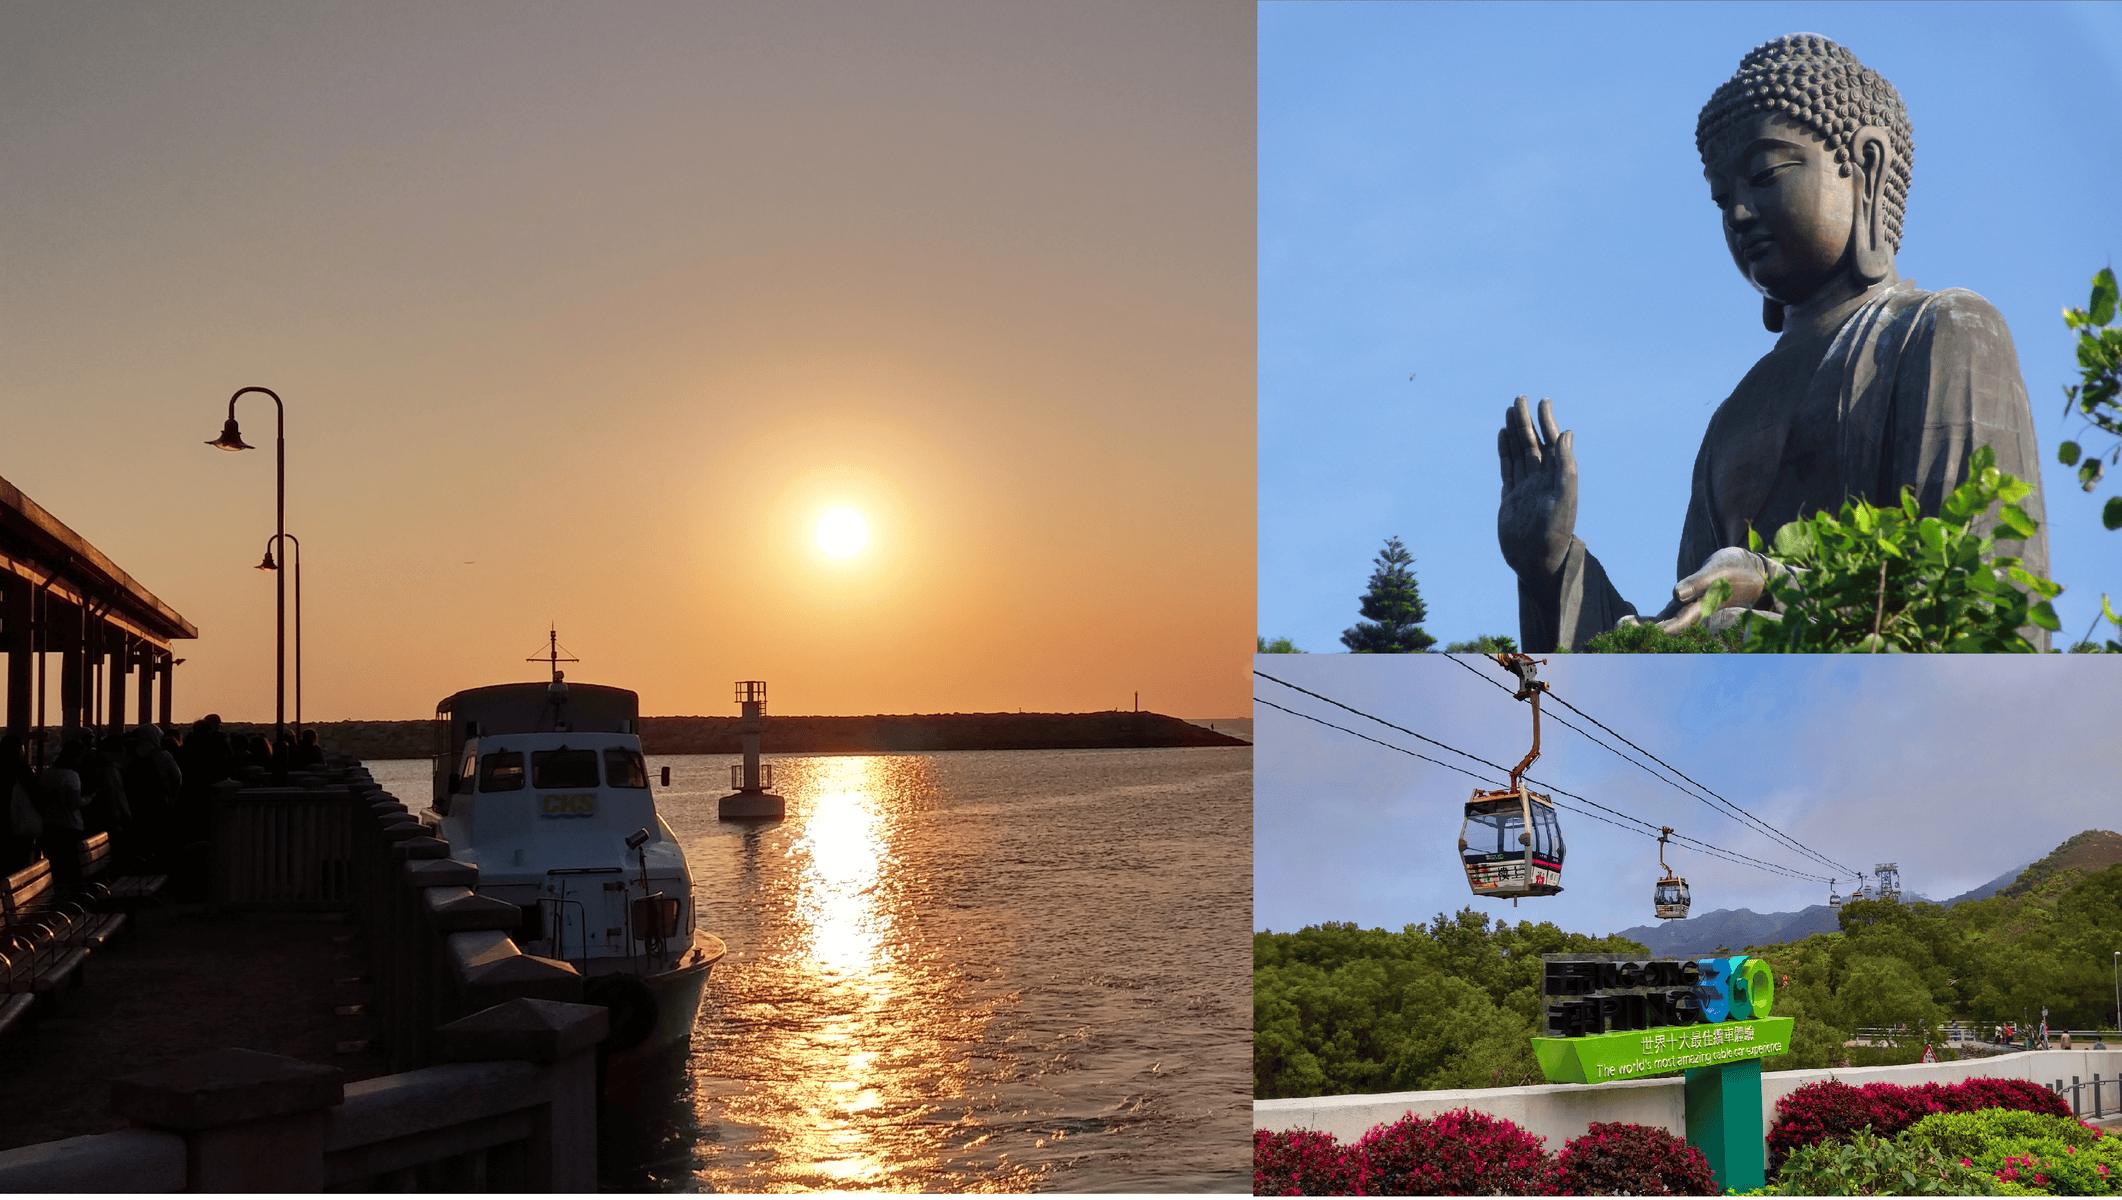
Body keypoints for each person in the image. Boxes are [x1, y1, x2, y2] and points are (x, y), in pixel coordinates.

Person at [1497, 33, 2048, 650]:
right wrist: (1552, 570)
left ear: (1866, 166)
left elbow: (1986, 598)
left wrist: (1773, 586)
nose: (1738, 214)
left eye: (1766, 174)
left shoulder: (1946, 331)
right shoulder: (1734, 414)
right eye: (1722, 196)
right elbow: (1676, 637)